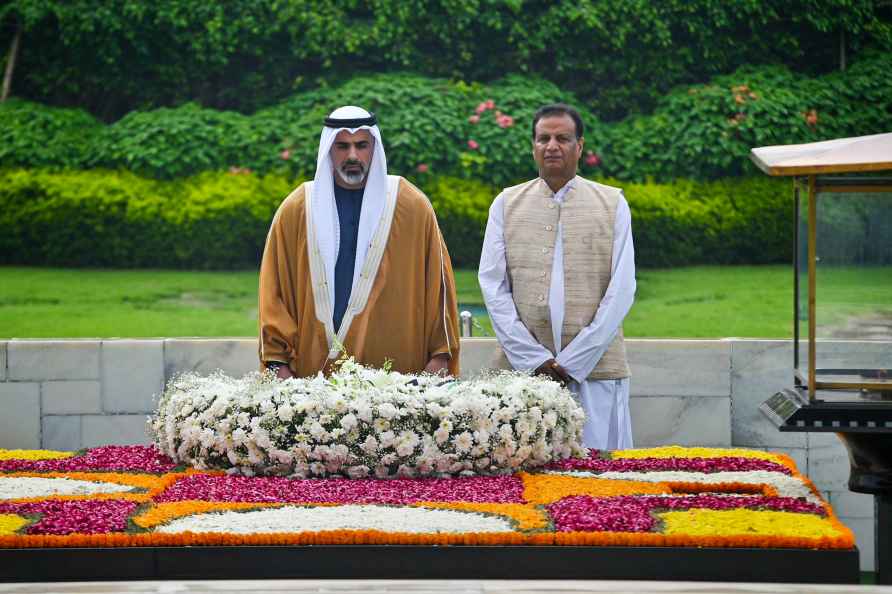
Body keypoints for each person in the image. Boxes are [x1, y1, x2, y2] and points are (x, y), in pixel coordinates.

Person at [258, 106, 460, 379]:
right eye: (342, 146)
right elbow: (274, 291)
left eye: (361, 145)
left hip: (398, 386)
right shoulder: (297, 208)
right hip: (310, 385)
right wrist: (276, 363)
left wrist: (440, 356)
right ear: (328, 149)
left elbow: (440, 289)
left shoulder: (411, 205)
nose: (352, 155)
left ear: (374, 148)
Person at [478, 103, 636, 450]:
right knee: (519, 472)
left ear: (579, 146)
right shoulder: (506, 203)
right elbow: (493, 284)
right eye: (543, 138)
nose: (552, 146)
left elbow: (622, 288)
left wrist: (576, 359)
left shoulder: (612, 203)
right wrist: (533, 358)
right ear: (533, 145)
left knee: (600, 477)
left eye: (562, 138)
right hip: (521, 372)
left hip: (595, 371)